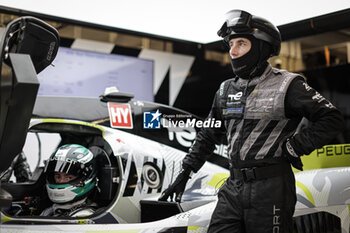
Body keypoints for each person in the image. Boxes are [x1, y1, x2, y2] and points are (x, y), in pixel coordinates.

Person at [159, 9, 344, 233]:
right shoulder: (226, 89)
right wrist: (185, 172)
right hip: (233, 186)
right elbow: (209, 133)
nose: (233, 51)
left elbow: (331, 118)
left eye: (241, 44)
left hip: (272, 188)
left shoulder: (287, 84)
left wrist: (295, 147)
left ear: (260, 46)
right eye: (230, 45)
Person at [40, 144, 98, 217]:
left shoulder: (83, 216)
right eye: (58, 177)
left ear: (84, 179)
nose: (61, 181)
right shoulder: (50, 211)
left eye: (68, 177)